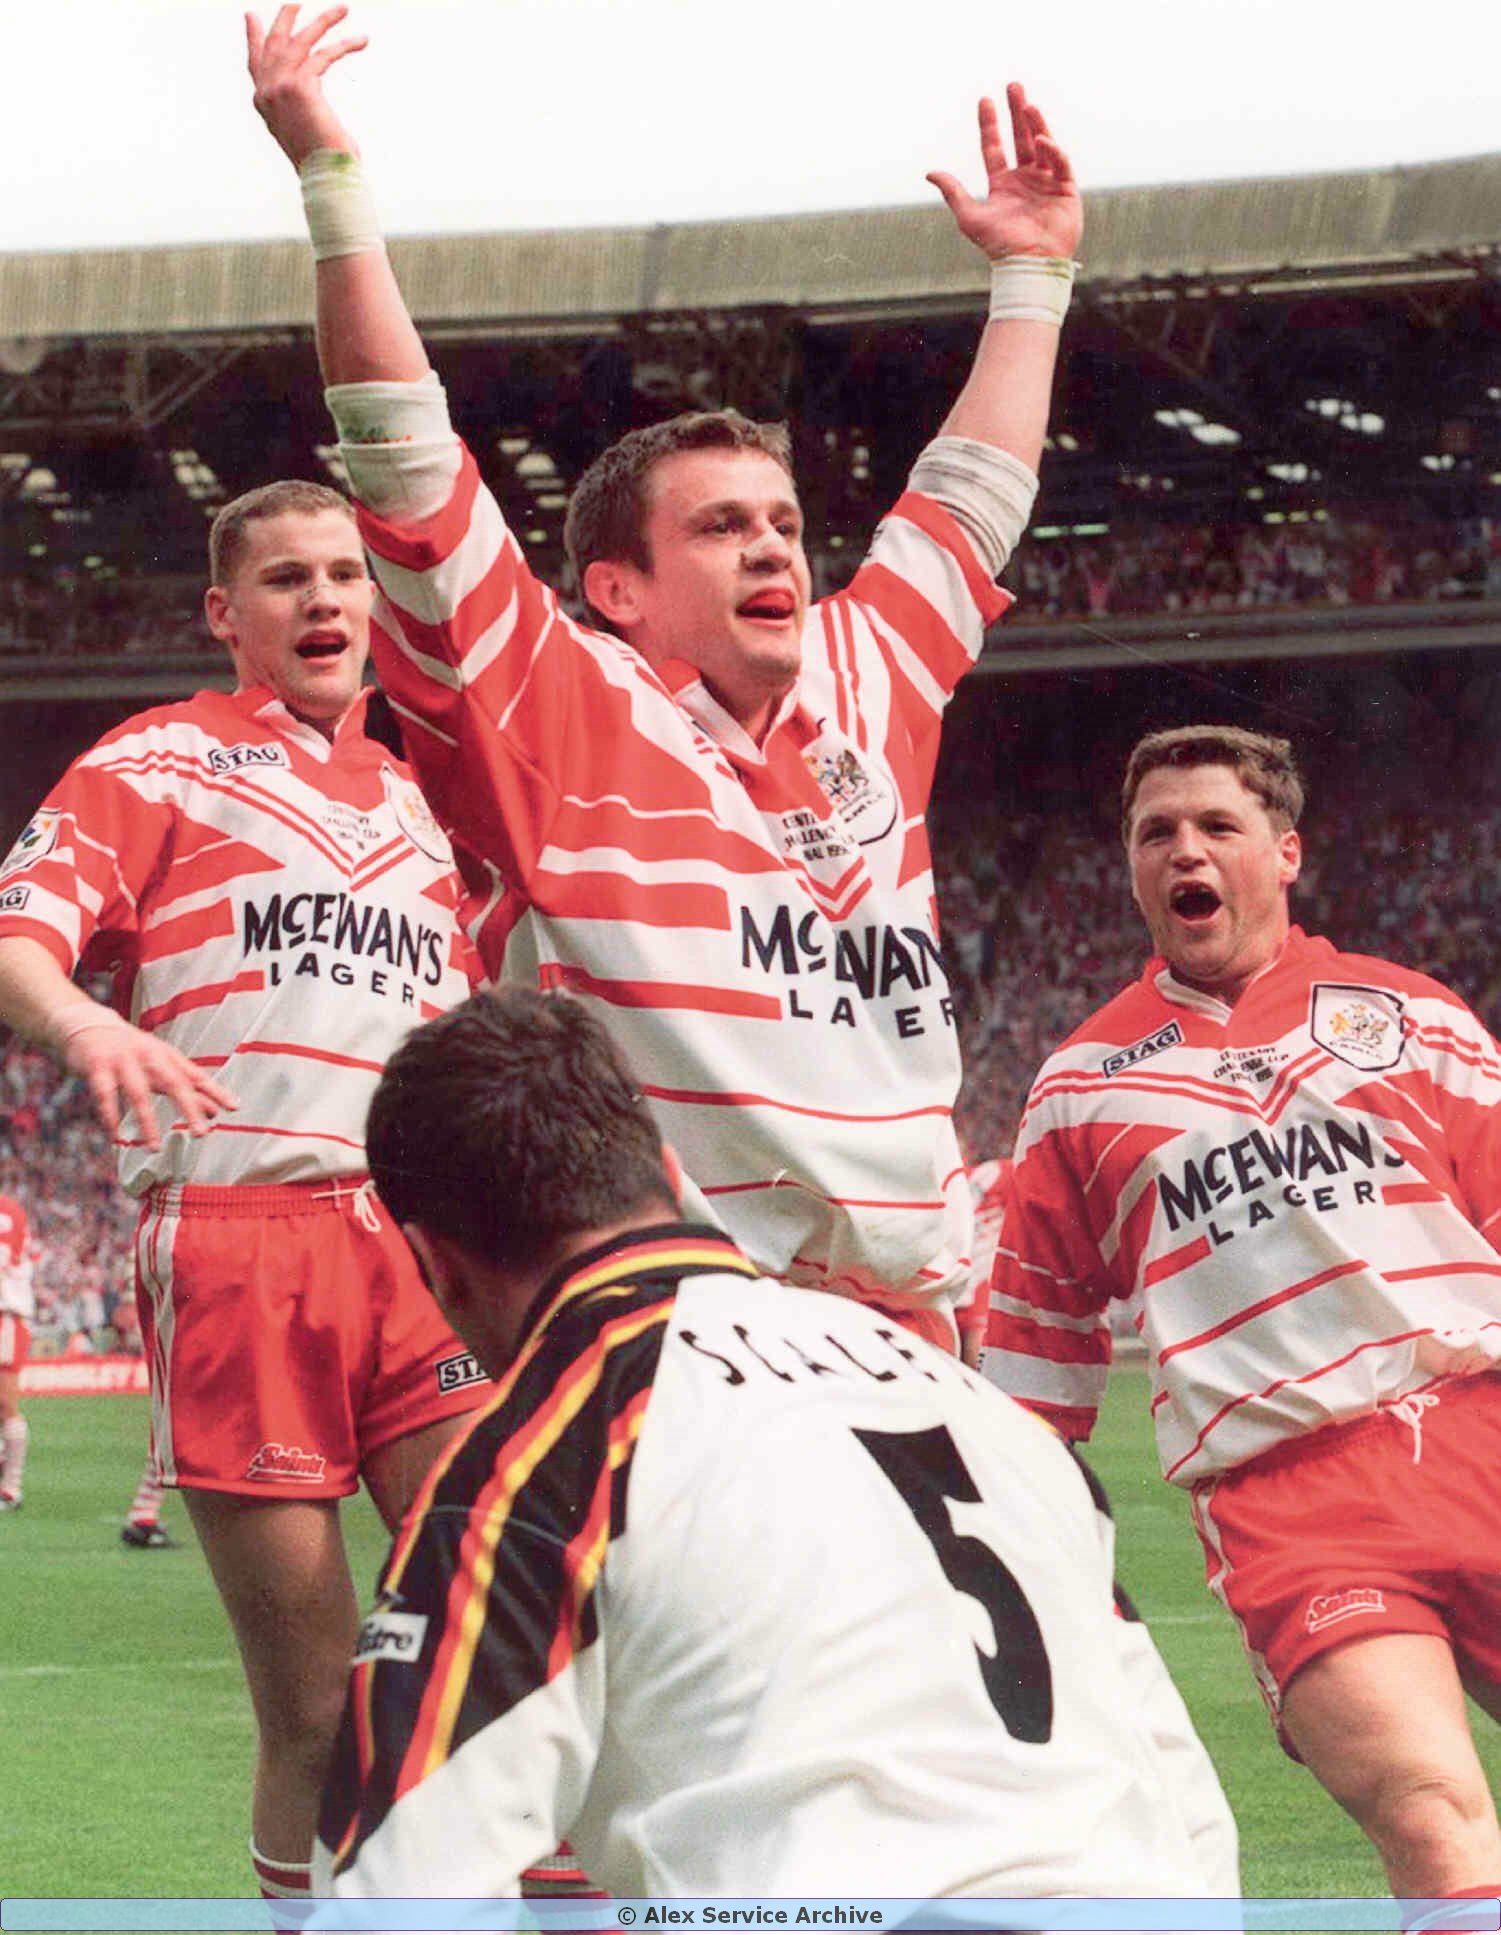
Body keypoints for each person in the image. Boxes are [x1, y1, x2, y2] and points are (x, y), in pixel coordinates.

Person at [244, 4, 1083, 1347]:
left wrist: (1032, 277)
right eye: (721, 526)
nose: (772, 544)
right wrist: (328, 177)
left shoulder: (866, 671)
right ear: (618, 589)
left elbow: (972, 495)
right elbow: (403, 457)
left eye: (784, 523)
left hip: (910, 1321)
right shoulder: (564, 704)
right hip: (678, 1321)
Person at [313, 983, 1217, 1900]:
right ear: (671, 1175)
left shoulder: (550, 1451)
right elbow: (1188, 1800)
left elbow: (396, 1886)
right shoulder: (988, 1416)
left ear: (433, 1264)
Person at [0, 477, 488, 1901]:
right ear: (226, 613)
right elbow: (16, 937)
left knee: (519, 1621)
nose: (324, 596)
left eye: (344, 572)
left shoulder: (422, 800)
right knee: (316, 1707)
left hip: (422, 1244)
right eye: (285, 578)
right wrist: (85, 1026)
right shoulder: (156, 759)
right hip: (238, 1241)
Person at [988, 723, 1501, 1898]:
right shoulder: (1077, 1090)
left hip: (1479, 1432)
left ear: (1284, 853)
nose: (1185, 849)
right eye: (1154, 832)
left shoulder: (1412, 1015)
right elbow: (1032, 1362)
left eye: (1217, 825)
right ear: (1131, 868)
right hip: (1293, 1502)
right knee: (1431, 1820)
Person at [0, 1190, 34, 1509]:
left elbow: (3, 1257)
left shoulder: (6, 1211)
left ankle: (10, 1489)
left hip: (4, 1315)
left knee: (5, 1402)